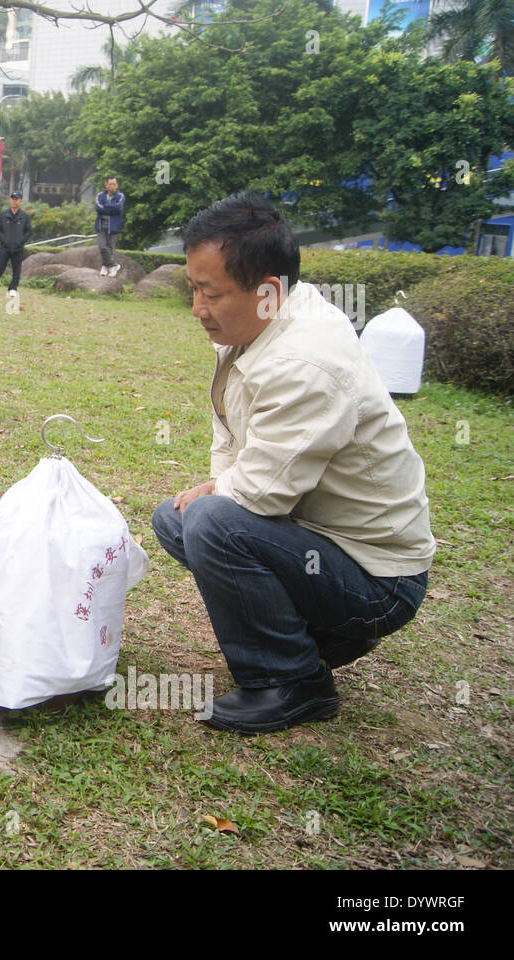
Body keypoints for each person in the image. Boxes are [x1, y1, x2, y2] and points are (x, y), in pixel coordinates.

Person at [150, 192, 433, 734]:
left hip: (379, 579)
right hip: (321, 543)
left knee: (208, 519)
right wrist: (219, 483)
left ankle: (293, 682)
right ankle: (315, 635)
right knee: (177, 516)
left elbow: (260, 496)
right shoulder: (261, 322)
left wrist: (219, 492)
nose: (197, 309)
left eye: (210, 293)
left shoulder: (306, 361)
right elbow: (233, 434)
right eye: (193, 289)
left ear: (267, 291)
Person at [0, 190, 30, 293]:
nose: (14, 201)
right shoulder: (3, 215)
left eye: (16, 199)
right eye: (12, 198)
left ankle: (13, 288)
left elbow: (28, 232)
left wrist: (20, 242)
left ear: (20, 201)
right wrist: (4, 241)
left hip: (18, 248)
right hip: (5, 247)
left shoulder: (25, 216)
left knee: (16, 269)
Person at [94, 175, 124, 276]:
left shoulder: (120, 196)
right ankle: (114, 264)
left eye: (114, 184)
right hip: (101, 225)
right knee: (102, 246)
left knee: (110, 248)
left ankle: (105, 266)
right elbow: (98, 208)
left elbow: (118, 208)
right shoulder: (100, 196)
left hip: (113, 226)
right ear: (106, 185)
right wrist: (111, 208)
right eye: (110, 184)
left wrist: (106, 207)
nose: (112, 186)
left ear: (117, 185)